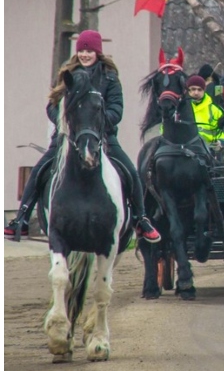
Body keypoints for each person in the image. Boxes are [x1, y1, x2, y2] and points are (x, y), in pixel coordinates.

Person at [5, 30, 161, 242]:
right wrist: (65, 121)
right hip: (67, 138)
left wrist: (94, 124)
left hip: (102, 138)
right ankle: (21, 220)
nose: (85, 54)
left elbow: (117, 109)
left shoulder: (109, 78)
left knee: (130, 171)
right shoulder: (66, 75)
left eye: (89, 50)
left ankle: (140, 219)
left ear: (98, 52)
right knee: (39, 170)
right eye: (82, 50)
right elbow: (51, 106)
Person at [185, 75, 224, 145]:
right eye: (193, 89)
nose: (196, 93)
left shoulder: (214, 110)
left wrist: (220, 141)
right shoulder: (181, 108)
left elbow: (222, 131)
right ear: (188, 90)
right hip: (184, 149)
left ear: (204, 90)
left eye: (199, 89)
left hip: (208, 151)